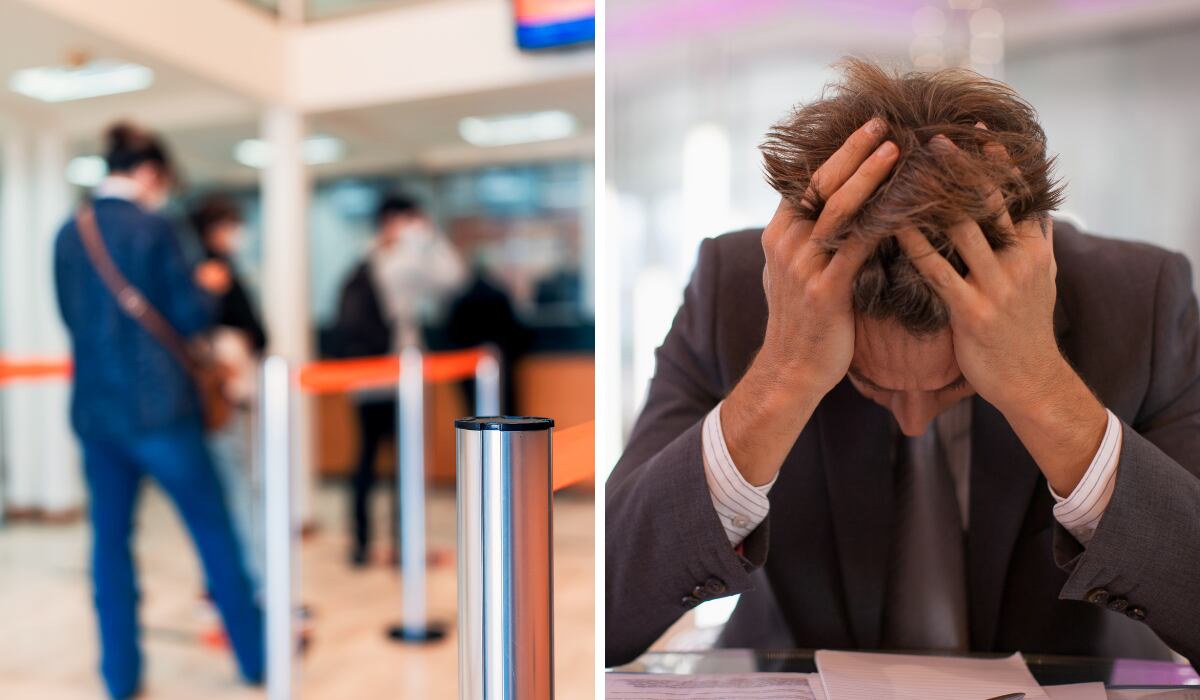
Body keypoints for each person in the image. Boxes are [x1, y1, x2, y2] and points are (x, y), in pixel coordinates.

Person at [606, 60, 1200, 669]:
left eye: (956, 384)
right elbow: (608, 613)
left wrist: (1042, 389)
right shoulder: (734, 292)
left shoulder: (1142, 299)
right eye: (869, 382)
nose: (914, 420)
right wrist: (782, 377)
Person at [53, 123, 263, 698]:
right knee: (213, 531)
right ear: (149, 173)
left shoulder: (69, 233)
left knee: (109, 546)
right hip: (163, 412)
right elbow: (190, 317)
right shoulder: (155, 228)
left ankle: (119, 676)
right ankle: (254, 657)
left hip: (97, 414)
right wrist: (211, 284)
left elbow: (71, 318)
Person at [333, 194, 464, 566]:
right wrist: (430, 239)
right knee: (405, 462)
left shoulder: (363, 258)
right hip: (397, 374)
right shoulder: (402, 263)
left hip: (364, 378)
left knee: (366, 457)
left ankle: (360, 545)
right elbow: (454, 279)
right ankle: (403, 544)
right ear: (398, 221)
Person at [188, 194, 268, 590]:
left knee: (234, 485)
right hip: (220, 396)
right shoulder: (208, 271)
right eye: (230, 225)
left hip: (231, 393)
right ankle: (241, 579)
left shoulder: (221, 267)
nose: (237, 233)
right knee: (234, 488)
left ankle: (230, 579)